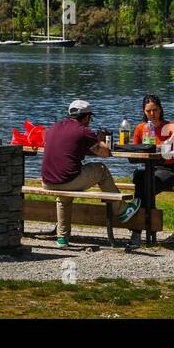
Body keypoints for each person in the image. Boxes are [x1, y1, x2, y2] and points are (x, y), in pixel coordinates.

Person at [41, 99, 140, 246]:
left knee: (64, 194)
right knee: (101, 169)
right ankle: (122, 210)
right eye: (90, 118)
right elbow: (105, 153)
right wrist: (99, 139)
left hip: (47, 182)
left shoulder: (54, 127)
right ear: (87, 117)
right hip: (66, 181)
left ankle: (62, 237)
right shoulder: (83, 131)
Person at [131, 94, 174, 200]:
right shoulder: (140, 128)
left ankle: (142, 214)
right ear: (143, 111)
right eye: (148, 111)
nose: (152, 114)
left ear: (160, 109)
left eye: (155, 110)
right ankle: (146, 214)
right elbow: (134, 150)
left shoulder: (169, 126)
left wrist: (169, 141)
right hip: (147, 168)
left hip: (166, 170)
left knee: (145, 188)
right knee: (141, 180)